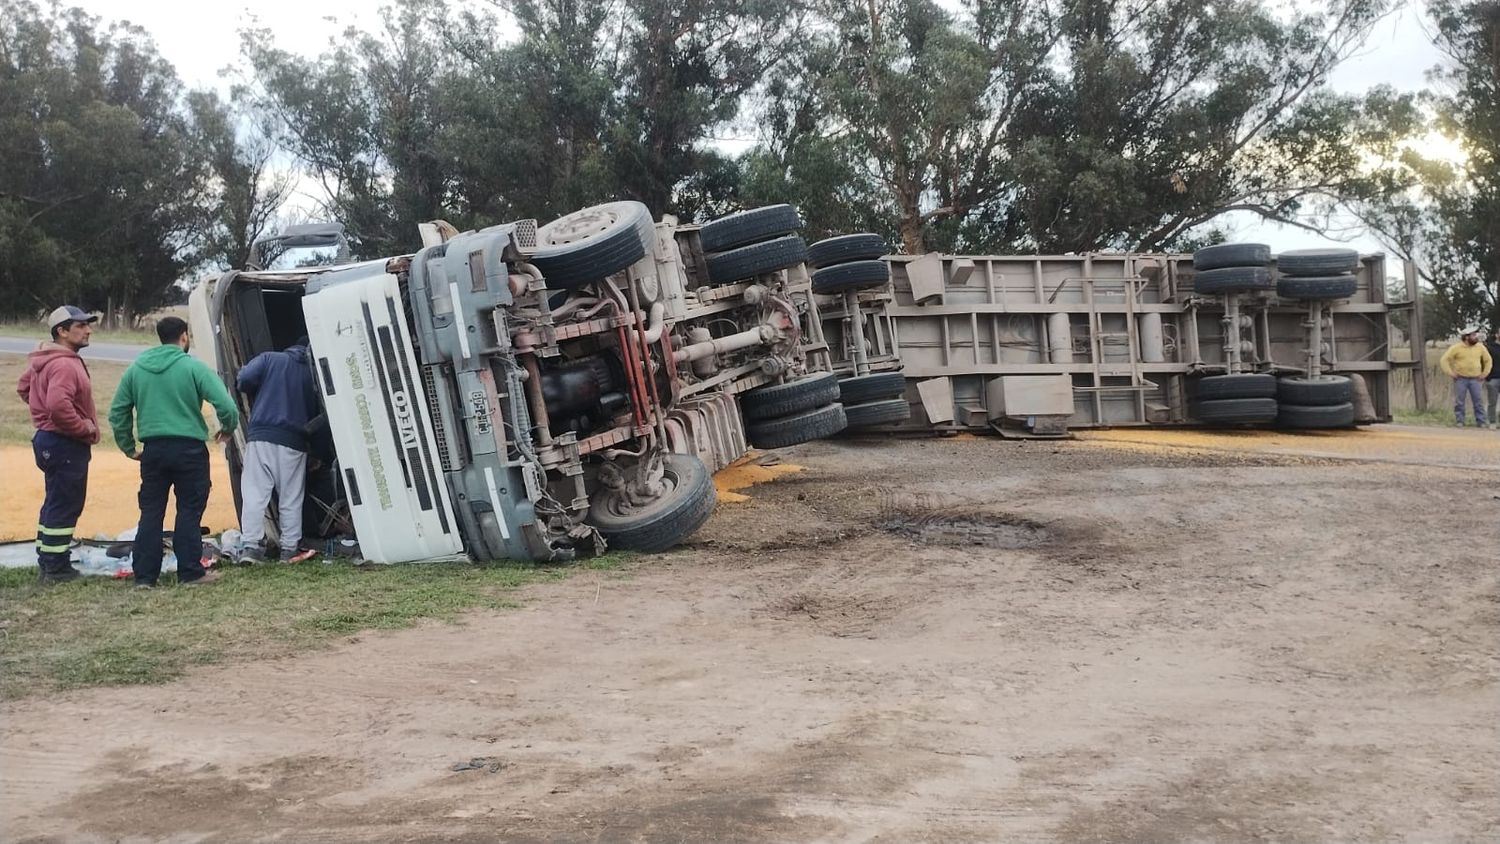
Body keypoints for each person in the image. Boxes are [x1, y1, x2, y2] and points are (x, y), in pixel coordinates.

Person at [109, 317, 240, 587]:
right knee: (189, 510)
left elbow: (118, 411)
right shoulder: (192, 367)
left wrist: (128, 447)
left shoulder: (136, 370)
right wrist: (227, 428)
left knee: (151, 512)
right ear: (184, 337)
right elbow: (226, 405)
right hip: (189, 449)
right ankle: (190, 572)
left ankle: (145, 577)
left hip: (153, 450)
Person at [17, 306, 100, 584]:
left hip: (49, 440)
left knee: (55, 501)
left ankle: (48, 558)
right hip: (65, 442)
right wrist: (83, 428)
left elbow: (24, 388)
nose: (88, 330)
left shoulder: (45, 359)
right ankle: (55, 568)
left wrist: (41, 414)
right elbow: (58, 405)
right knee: (65, 504)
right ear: (62, 332)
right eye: (80, 326)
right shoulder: (64, 363)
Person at [234, 337, 320, 563]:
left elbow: (244, 379)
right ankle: (289, 550)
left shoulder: (270, 358)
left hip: (261, 436)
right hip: (294, 442)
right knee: (291, 497)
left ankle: (251, 547)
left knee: (254, 493)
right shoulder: (313, 374)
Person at [1440, 325, 1493, 426]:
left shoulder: (1480, 347)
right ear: (1466, 337)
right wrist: (1450, 373)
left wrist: (1485, 373)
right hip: (1461, 378)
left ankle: (1481, 421)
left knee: (1478, 401)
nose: (1476, 337)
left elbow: (1488, 360)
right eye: (1473, 335)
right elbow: (1444, 360)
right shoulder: (1456, 348)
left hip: (1476, 378)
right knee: (1459, 401)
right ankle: (1460, 420)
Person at [1485, 328, 1500, 429]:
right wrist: (1487, 376)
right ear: (1497, 335)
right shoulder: (1490, 348)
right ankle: (1492, 422)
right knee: (1492, 402)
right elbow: (1484, 362)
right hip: (1493, 378)